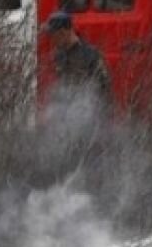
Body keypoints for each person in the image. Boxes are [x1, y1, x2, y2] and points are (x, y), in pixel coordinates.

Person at [39, 11, 114, 185]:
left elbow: (104, 92)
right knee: (67, 169)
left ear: (65, 32)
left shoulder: (91, 56)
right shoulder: (59, 56)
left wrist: (99, 125)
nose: (51, 39)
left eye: (53, 35)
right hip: (67, 126)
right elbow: (61, 88)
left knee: (91, 171)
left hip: (89, 126)